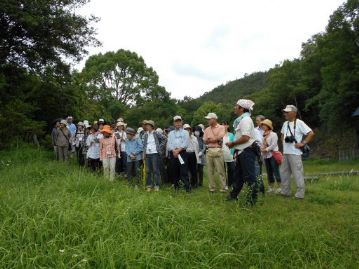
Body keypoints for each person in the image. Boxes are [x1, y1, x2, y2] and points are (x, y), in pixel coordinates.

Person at [226, 99, 258, 205]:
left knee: (249, 177)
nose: (234, 108)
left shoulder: (245, 120)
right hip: (242, 152)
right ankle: (233, 196)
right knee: (238, 176)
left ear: (242, 109)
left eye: (236, 106)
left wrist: (233, 144)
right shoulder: (242, 120)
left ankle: (252, 200)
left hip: (247, 152)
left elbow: (245, 137)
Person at [280, 105, 315, 199]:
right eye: (285, 112)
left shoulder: (299, 123)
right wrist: (284, 142)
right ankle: (285, 192)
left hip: (295, 153)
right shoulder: (285, 124)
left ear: (294, 113)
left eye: (287, 112)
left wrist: (302, 143)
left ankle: (300, 195)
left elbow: (311, 133)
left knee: (297, 173)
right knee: (284, 173)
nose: (285, 114)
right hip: (286, 152)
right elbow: (282, 135)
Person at [203, 113, 227, 192]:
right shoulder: (206, 129)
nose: (208, 120)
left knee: (221, 170)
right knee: (210, 171)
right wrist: (213, 139)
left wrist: (210, 139)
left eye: (209, 119)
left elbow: (219, 138)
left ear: (214, 119)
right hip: (209, 150)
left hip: (217, 149)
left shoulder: (221, 127)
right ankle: (212, 188)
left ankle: (223, 188)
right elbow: (204, 141)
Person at [167, 115, 191, 192]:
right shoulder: (170, 133)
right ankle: (175, 187)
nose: (178, 123)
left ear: (182, 122)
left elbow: (186, 143)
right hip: (173, 153)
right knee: (174, 170)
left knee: (183, 170)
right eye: (176, 122)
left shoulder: (185, 132)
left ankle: (187, 188)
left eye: (179, 122)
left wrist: (178, 150)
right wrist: (174, 151)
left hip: (182, 153)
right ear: (173, 123)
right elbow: (169, 144)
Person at [143, 120, 166, 191]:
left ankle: (156, 185)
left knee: (155, 170)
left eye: (148, 125)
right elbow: (144, 144)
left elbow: (165, 139)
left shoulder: (156, 133)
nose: (147, 126)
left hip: (155, 154)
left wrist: (159, 147)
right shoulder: (145, 134)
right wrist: (144, 153)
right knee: (148, 171)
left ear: (152, 126)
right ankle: (148, 186)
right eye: (146, 125)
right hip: (147, 154)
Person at [260, 119, 281, 193]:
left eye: (264, 125)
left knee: (275, 170)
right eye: (262, 125)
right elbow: (262, 144)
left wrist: (266, 149)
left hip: (273, 154)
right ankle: (271, 187)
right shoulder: (264, 135)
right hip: (266, 156)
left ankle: (280, 186)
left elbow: (274, 145)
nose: (263, 126)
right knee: (269, 172)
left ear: (268, 126)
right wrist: (262, 150)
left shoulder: (273, 134)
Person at [183, 124, 200, 188]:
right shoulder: (182, 138)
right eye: (186, 129)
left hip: (193, 154)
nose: (187, 130)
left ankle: (194, 183)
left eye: (188, 129)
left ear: (190, 130)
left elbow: (197, 147)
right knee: (185, 169)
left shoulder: (194, 137)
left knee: (193, 170)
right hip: (185, 154)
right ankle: (187, 183)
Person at [222, 121, 236, 188]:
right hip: (222, 154)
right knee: (223, 170)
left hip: (230, 154)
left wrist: (233, 154)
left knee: (232, 169)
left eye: (225, 125)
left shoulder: (231, 135)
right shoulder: (220, 135)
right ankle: (225, 184)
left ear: (227, 126)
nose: (223, 126)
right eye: (222, 125)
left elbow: (233, 145)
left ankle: (231, 183)